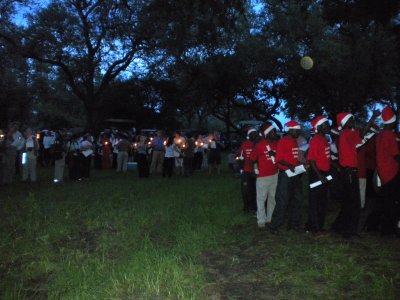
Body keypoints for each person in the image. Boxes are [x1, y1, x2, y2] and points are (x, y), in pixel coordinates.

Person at [331, 110, 379, 238]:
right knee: (354, 204)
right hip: (350, 173)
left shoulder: (345, 134)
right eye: (351, 120)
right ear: (345, 122)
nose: (353, 122)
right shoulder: (347, 133)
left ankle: (339, 227)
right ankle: (349, 232)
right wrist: (372, 118)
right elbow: (362, 134)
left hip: (348, 172)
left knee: (349, 203)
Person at [366, 107, 400, 235]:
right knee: (391, 202)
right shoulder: (390, 135)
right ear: (392, 122)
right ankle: (388, 229)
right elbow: (395, 155)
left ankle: (372, 225)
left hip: (382, 171)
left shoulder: (380, 135)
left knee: (383, 201)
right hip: (391, 171)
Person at [270, 120, 305, 234]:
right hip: (285, 174)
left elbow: (293, 157)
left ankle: (294, 224)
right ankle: (275, 226)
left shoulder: (294, 141)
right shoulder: (283, 141)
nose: (299, 132)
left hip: (294, 174)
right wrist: (289, 165)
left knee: (297, 199)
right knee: (282, 200)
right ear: (290, 130)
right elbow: (279, 159)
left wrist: (299, 164)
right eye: (297, 130)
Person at [306, 116, 332, 236]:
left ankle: (313, 226)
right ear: (320, 127)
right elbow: (311, 160)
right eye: (326, 124)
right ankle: (315, 229)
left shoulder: (324, 139)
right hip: (317, 175)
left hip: (323, 174)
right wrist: (320, 175)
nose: (328, 126)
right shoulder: (316, 139)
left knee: (322, 202)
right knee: (316, 202)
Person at [250, 123, 279, 228]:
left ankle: (269, 218)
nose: (275, 134)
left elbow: (279, 158)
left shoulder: (276, 144)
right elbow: (252, 159)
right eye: (273, 132)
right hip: (262, 176)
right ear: (267, 134)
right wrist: (254, 170)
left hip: (275, 174)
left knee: (273, 198)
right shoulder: (259, 145)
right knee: (261, 199)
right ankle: (261, 220)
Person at [238, 128, 258, 212]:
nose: (255, 135)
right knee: (246, 190)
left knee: (255, 190)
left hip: (257, 172)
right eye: (253, 133)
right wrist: (241, 169)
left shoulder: (258, 144)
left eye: (256, 133)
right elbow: (241, 158)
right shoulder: (245, 144)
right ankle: (247, 207)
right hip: (247, 171)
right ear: (249, 135)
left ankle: (254, 207)